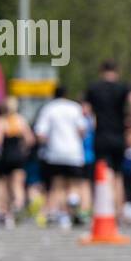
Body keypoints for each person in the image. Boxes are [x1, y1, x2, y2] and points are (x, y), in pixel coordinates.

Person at [85, 60, 131, 218]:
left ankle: (106, 208)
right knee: (118, 174)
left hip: (101, 136)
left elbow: (86, 111)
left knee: (105, 172)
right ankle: (119, 210)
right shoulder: (123, 87)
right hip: (119, 136)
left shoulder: (94, 88)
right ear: (116, 71)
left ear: (101, 71)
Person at [34, 83, 90, 229]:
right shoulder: (75, 108)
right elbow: (83, 130)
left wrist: (48, 142)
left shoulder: (49, 108)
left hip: (55, 152)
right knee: (74, 184)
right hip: (74, 152)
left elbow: (40, 133)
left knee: (57, 185)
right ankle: (74, 202)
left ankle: (57, 213)